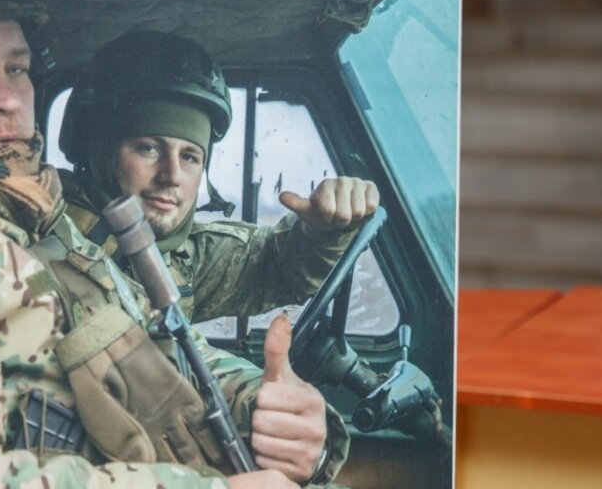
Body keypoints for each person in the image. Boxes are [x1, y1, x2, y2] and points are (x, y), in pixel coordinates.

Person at [0, 0, 449, 489]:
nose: (7, 98)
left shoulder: (48, 229)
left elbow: (163, 351)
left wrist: (267, 410)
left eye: (17, 69)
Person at [58, 30, 381, 323]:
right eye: (149, 149)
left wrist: (324, 231)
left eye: (189, 156)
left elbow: (278, 267)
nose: (172, 176)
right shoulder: (46, 232)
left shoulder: (179, 260)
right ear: (99, 150)